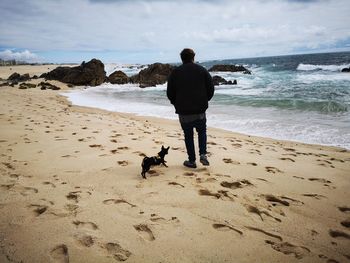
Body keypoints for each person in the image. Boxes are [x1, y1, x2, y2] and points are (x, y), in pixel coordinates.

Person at [167, 48, 214, 168]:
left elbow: (170, 92)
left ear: (182, 58)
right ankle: (203, 154)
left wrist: (176, 103)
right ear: (193, 57)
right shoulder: (202, 70)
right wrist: (204, 101)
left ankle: (192, 161)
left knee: (188, 135)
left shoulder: (175, 72)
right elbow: (211, 89)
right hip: (200, 110)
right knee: (202, 131)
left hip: (183, 112)